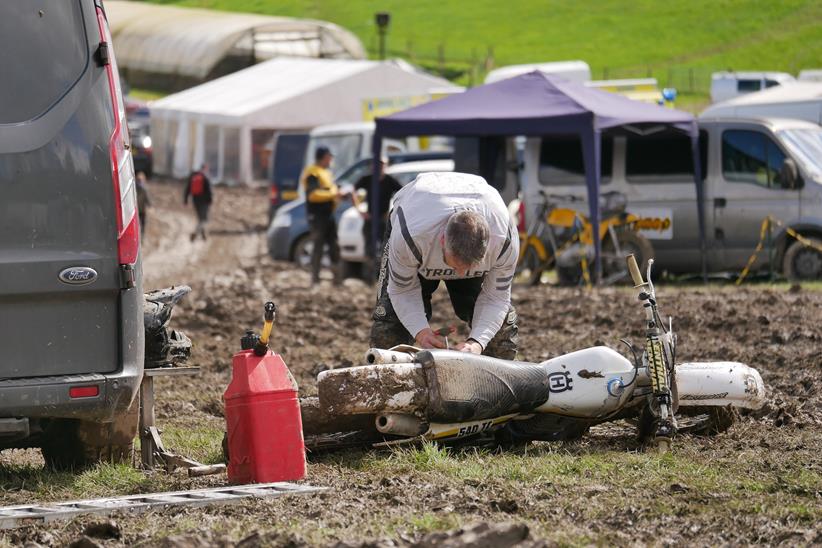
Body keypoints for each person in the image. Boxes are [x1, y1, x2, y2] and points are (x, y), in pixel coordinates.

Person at [369, 172, 519, 359]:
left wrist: (477, 343)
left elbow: (496, 298)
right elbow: (401, 290)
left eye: (470, 266)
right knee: (388, 328)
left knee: (501, 332)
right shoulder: (410, 236)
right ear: (442, 241)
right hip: (418, 227)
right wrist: (421, 332)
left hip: (471, 219)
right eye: (456, 264)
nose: (461, 273)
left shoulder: (504, 240)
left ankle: (494, 384)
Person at [353, 157, 402, 278]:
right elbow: (353, 190)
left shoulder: (390, 181)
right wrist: (359, 210)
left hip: (383, 218)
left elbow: (402, 194)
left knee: (386, 248)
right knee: (369, 248)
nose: (379, 167)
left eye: (382, 165)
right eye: (377, 165)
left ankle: (383, 277)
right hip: (370, 218)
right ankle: (369, 277)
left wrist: (393, 211)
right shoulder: (367, 179)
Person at [301, 146, 342, 285]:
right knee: (318, 246)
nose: (331, 159)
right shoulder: (313, 173)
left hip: (329, 214)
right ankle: (315, 278)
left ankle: (336, 278)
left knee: (334, 245)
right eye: (329, 156)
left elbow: (332, 188)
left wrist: (337, 194)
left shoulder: (326, 172)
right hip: (317, 216)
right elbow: (313, 195)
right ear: (324, 157)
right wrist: (334, 194)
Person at [184, 163, 213, 242]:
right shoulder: (205, 177)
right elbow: (209, 190)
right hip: (204, 201)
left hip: (195, 200)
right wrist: (210, 200)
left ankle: (204, 235)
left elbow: (188, 188)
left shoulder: (194, 176)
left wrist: (185, 200)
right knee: (203, 219)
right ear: (205, 168)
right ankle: (195, 233)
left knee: (200, 218)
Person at [135, 171, 151, 238]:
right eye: (139, 180)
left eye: (141, 180)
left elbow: (147, 198)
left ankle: (142, 236)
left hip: (142, 210)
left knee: (143, 224)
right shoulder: (135, 188)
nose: (140, 182)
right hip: (137, 210)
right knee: (137, 225)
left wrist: (150, 205)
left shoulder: (144, 190)